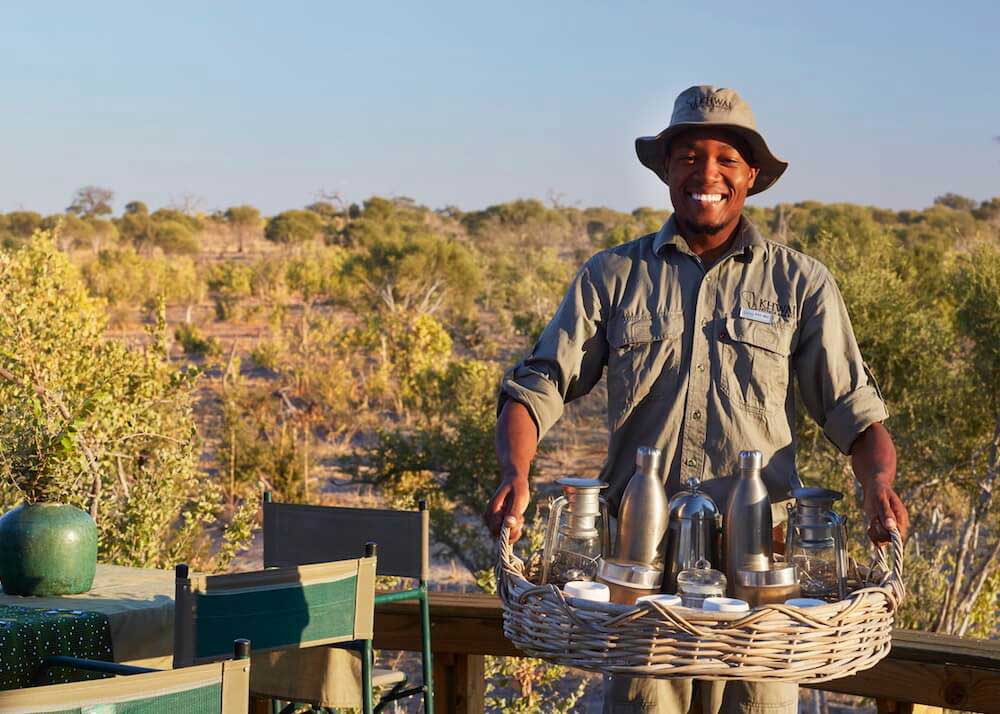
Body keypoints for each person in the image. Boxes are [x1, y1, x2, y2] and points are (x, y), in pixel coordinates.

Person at [483, 85, 910, 714]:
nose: (706, 174)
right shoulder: (613, 275)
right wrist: (515, 473)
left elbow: (854, 409)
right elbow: (539, 384)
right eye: (688, 157)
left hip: (764, 574)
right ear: (666, 170)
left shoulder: (800, 282)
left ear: (751, 175)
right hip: (639, 572)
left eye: (726, 159)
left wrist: (878, 484)